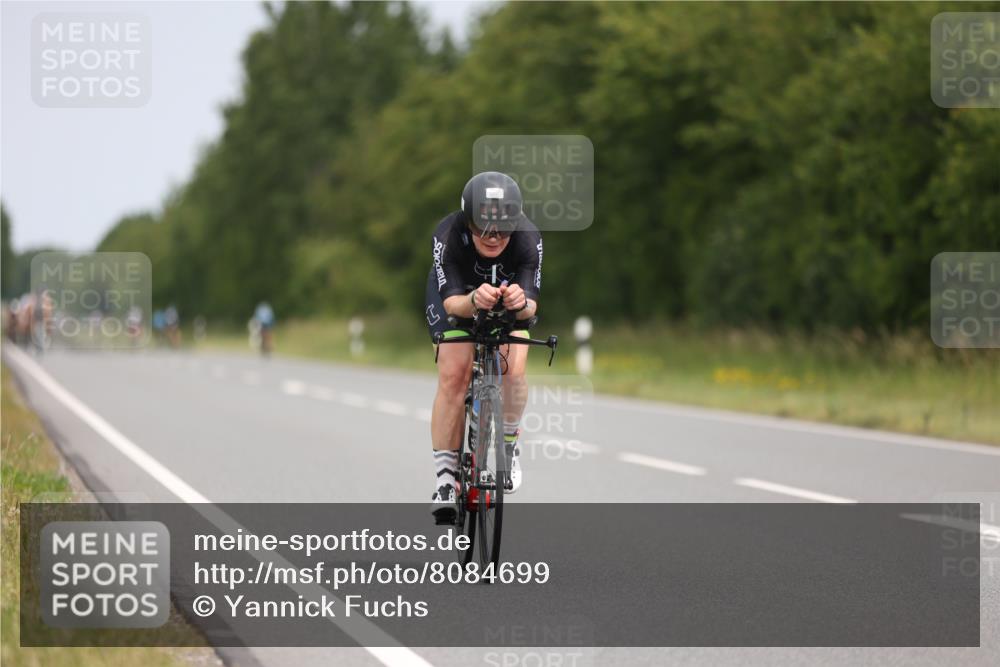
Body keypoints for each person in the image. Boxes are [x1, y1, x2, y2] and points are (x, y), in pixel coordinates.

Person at [425, 171, 543, 523]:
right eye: (483, 228)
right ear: (467, 220)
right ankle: (446, 478)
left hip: (508, 302)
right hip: (459, 297)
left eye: (503, 229)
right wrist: (475, 298)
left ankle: (508, 445)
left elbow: (531, 307)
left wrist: (520, 302)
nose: (493, 238)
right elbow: (452, 306)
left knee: (514, 371)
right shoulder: (447, 235)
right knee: (454, 375)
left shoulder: (528, 238)